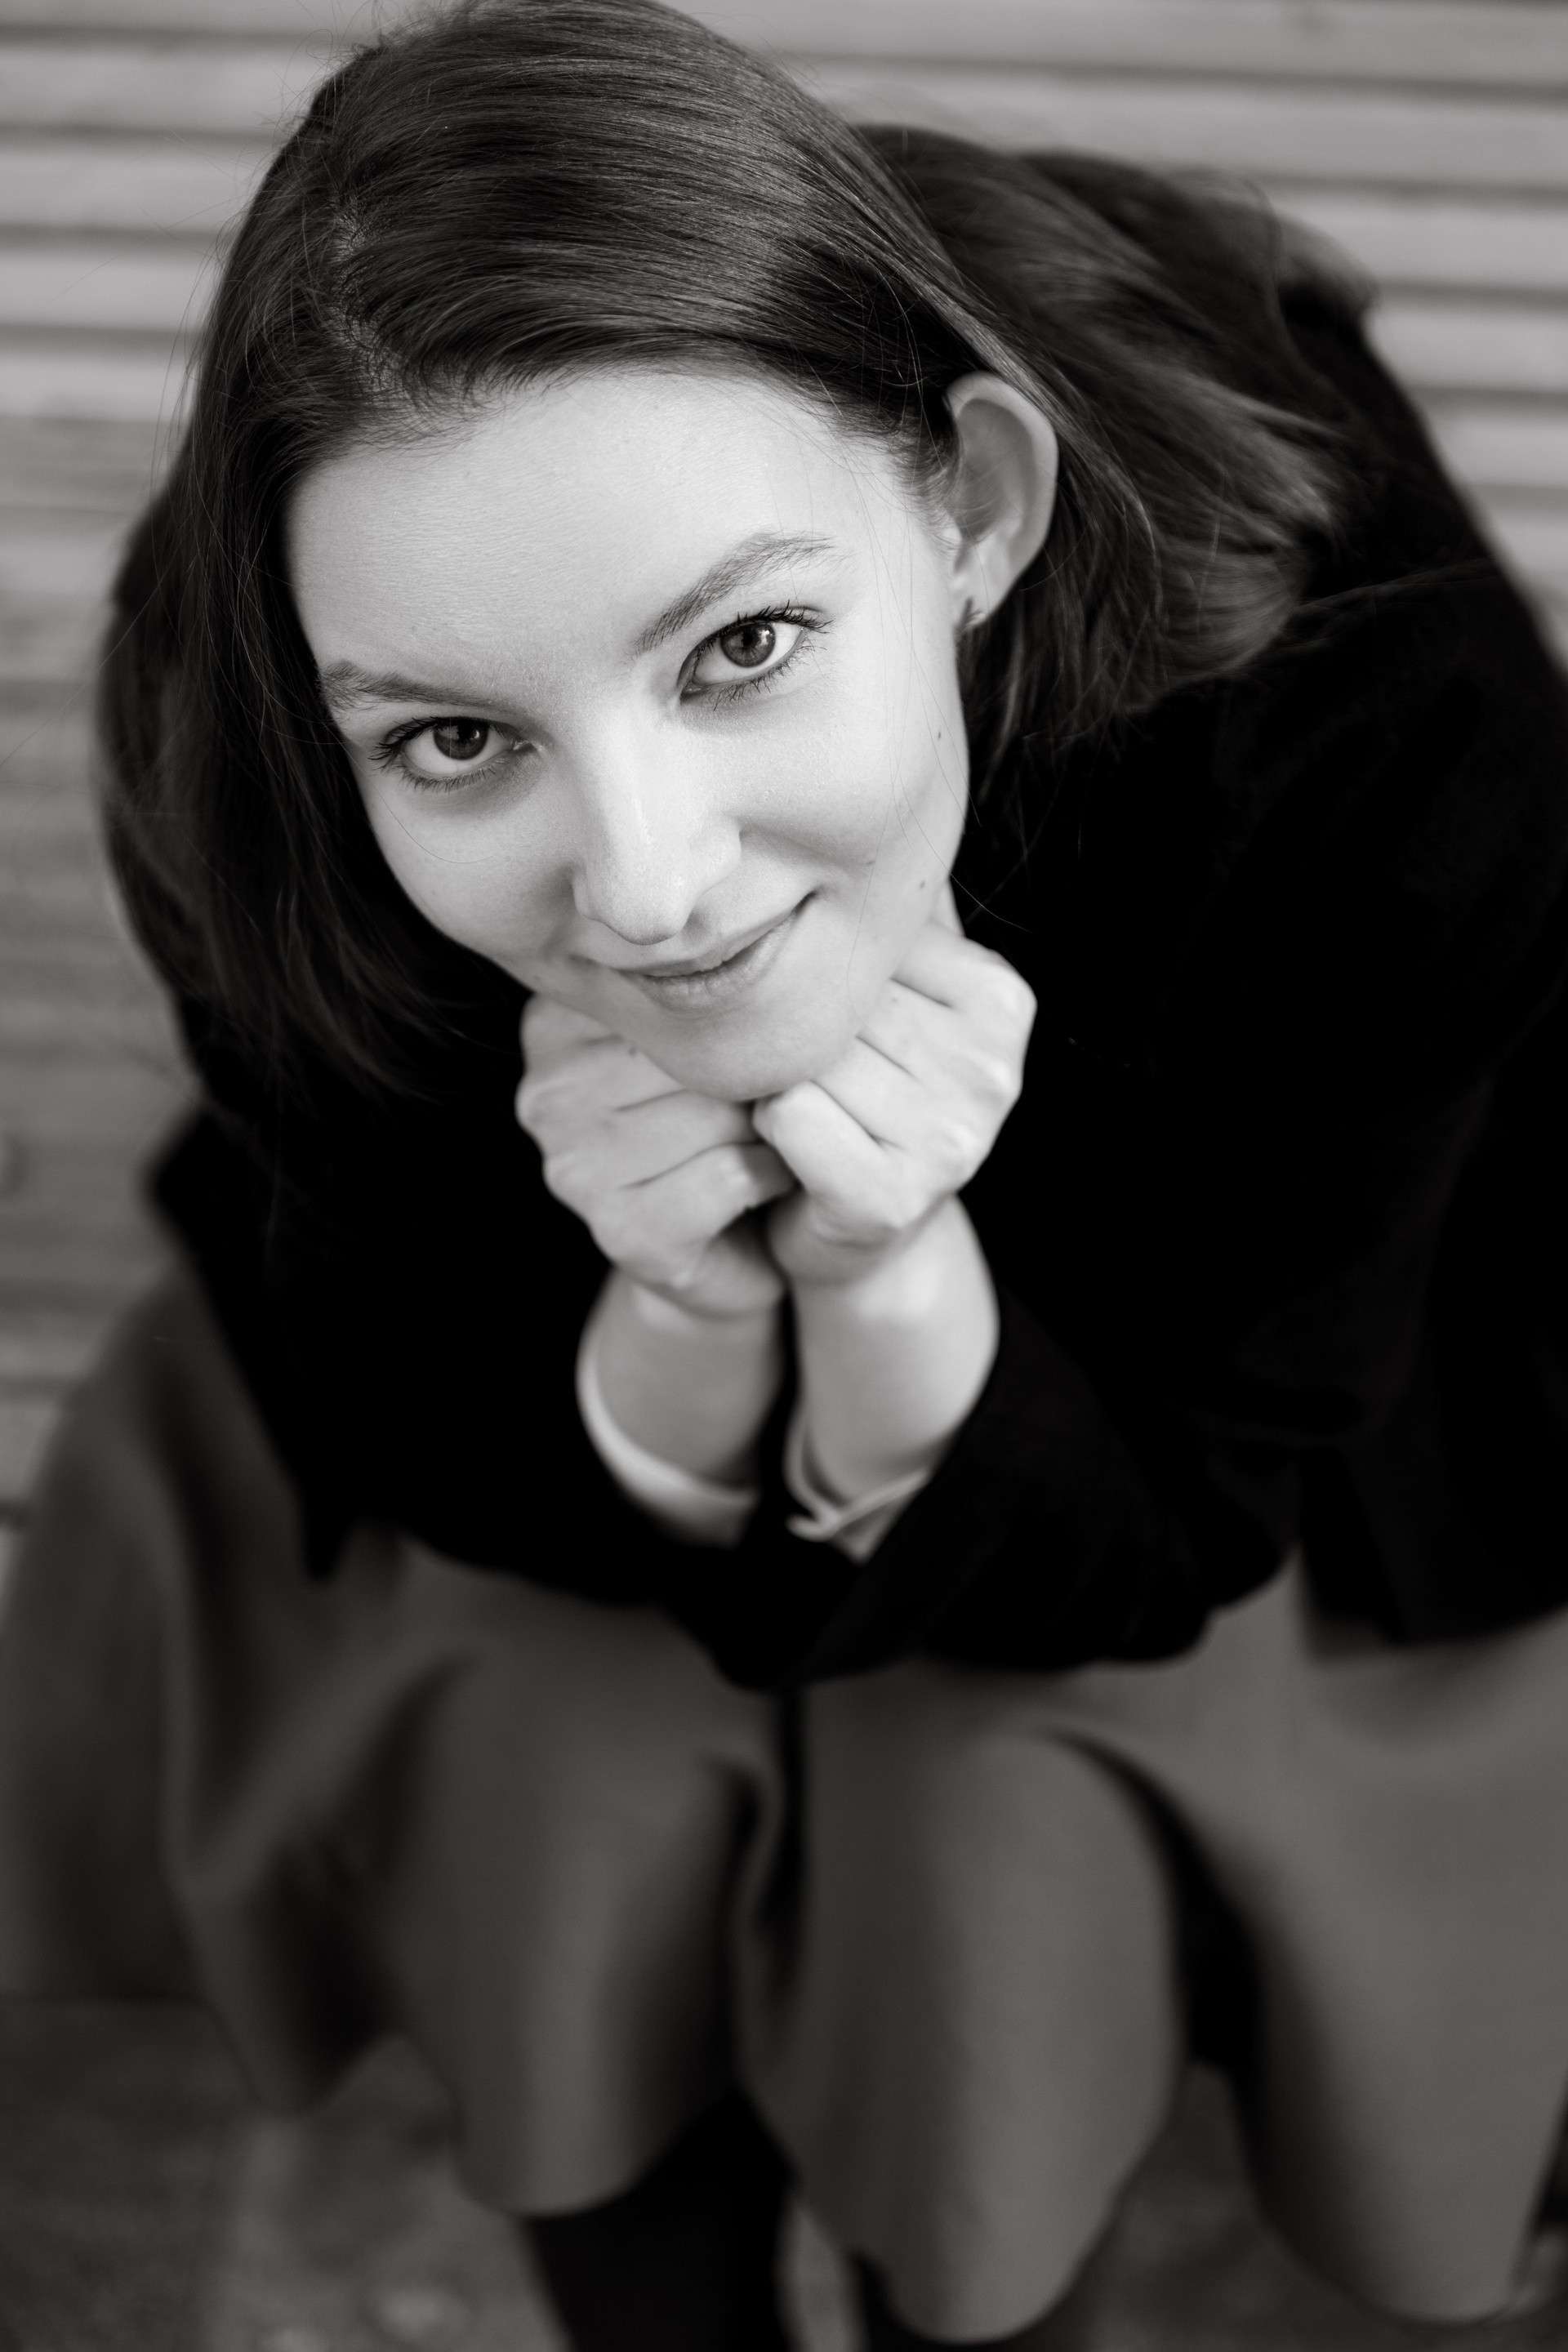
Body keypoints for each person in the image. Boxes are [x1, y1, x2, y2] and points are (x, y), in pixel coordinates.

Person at [3, 0, 1567, 2342]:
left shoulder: (1358, 663)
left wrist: (895, 1269)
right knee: (555, 1763)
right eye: (460, 740)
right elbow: (422, 1370)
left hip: (1242, 1358)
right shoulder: (239, 716)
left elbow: (1209, 1460)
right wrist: (686, 1313)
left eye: (741, 645)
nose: (649, 888)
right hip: (518, 1377)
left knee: (998, 1832)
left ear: (976, 510)